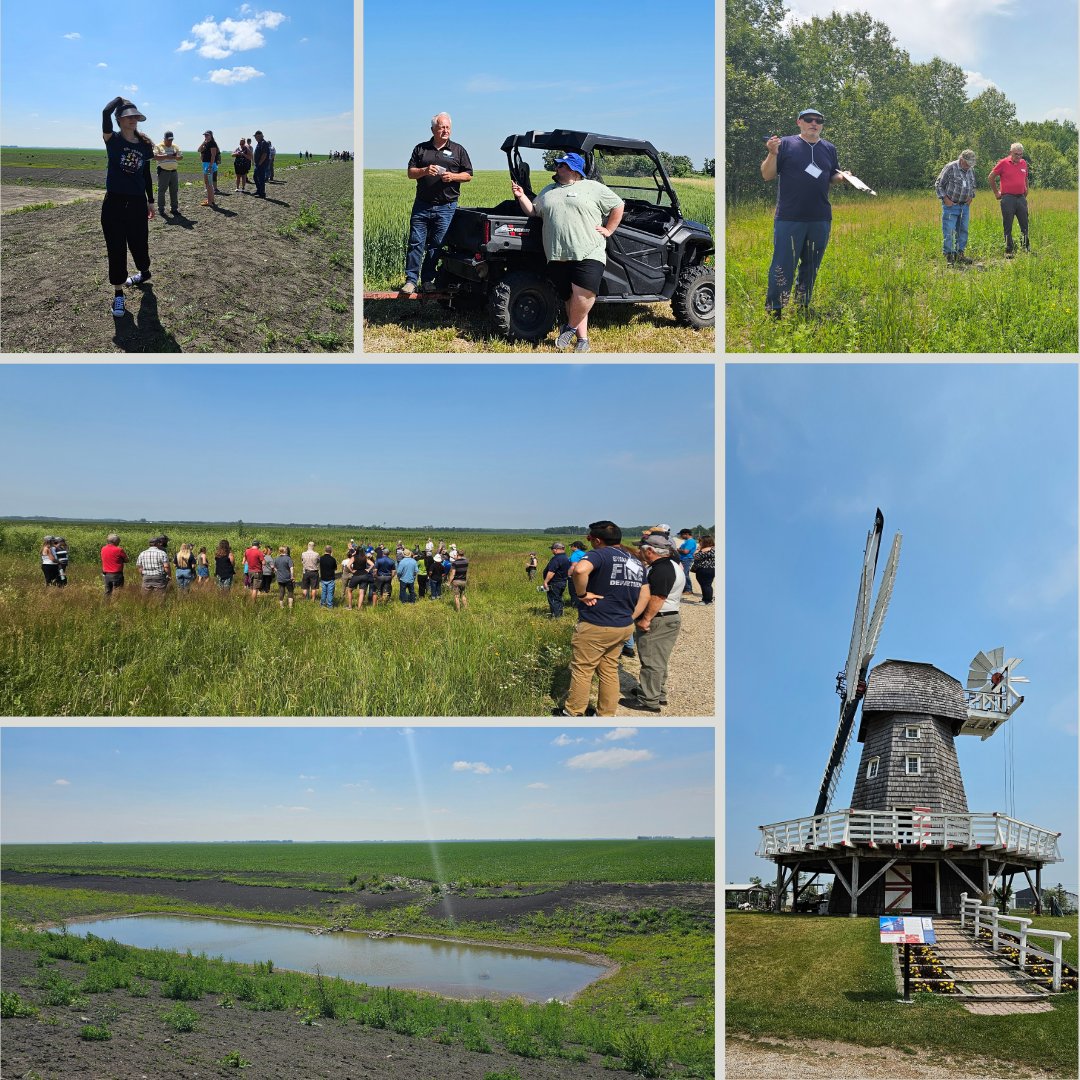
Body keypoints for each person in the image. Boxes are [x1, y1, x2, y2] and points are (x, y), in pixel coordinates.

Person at [511, 152, 623, 353]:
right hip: (557, 253)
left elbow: (618, 205)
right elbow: (533, 211)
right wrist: (521, 197)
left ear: (573, 169)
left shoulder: (593, 188)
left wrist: (609, 230)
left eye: (561, 165)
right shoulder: (549, 191)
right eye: (558, 165)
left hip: (589, 250)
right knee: (571, 298)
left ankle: (569, 328)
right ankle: (583, 340)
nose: (557, 168)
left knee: (585, 293)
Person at [556, 521, 644, 717]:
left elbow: (579, 570)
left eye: (590, 539)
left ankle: (573, 712)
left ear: (596, 540)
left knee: (583, 669)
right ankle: (605, 714)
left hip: (597, 623)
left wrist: (581, 595)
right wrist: (630, 616)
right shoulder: (635, 560)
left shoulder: (599, 554)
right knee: (609, 670)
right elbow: (645, 593)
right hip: (623, 624)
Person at [760, 109, 843, 316]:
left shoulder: (829, 149)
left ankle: (802, 304)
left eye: (819, 120)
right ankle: (775, 309)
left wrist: (843, 177)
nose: (814, 123)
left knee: (811, 264)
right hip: (789, 217)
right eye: (809, 119)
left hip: (820, 217)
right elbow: (767, 175)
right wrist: (772, 153)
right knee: (783, 264)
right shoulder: (785, 144)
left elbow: (831, 176)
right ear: (799, 122)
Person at [401, 113, 473, 294]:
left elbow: (468, 175)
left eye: (448, 127)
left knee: (436, 245)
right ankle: (411, 281)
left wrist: (453, 176)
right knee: (416, 242)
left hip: (446, 207)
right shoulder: (421, 149)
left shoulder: (458, 150)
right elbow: (410, 173)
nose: (445, 130)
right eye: (442, 127)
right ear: (433, 129)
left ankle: (427, 280)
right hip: (422, 205)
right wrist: (425, 170)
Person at [100, 96, 156, 318]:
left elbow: (146, 175)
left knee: (139, 244)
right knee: (116, 249)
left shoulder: (144, 146)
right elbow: (105, 113)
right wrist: (119, 100)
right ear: (120, 119)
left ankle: (144, 272)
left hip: (136, 203)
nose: (133, 119)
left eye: (135, 116)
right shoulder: (112, 140)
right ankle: (118, 294)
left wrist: (150, 200)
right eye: (128, 116)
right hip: (113, 203)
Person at [620, 535, 686, 713]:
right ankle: (656, 692)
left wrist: (645, 619)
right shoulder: (670, 564)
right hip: (667, 618)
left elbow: (658, 597)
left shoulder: (661, 569)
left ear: (650, 550)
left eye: (642, 549)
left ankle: (648, 700)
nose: (640, 552)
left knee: (651, 660)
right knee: (659, 659)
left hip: (658, 619)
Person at [935, 150, 977, 265]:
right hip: (951, 205)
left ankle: (960, 254)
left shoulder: (970, 170)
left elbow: (973, 185)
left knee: (963, 230)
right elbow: (938, 184)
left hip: (964, 206)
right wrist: (945, 199)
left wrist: (971, 197)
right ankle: (949, 255)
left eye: (971, 164)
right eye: (968, 163)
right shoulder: (950, 167)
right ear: (962, 159)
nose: (969, 166)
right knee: (949, 230)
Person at [989, 143, 1030, 256]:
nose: (1019, 157)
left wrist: (1026, 189)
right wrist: (996, 192)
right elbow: (991, 176)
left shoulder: (1023, 163)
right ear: (1011, 153)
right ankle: (1009, 249)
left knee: (1025, 224)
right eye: (1016, 154)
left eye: (1021, 154)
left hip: (1021, 198)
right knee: (1008, 224)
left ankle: (1025, 248)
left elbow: (1025, 177)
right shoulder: (1003, 163)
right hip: (1008, 198)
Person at [153, 130, 182, 215]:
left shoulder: (175, 146)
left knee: (174, 191)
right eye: (169, 139)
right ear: (164, 138)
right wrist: (166, 156)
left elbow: (181, 157)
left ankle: (174, 209)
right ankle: (161, 209)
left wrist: (176, 156)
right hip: (163, 172)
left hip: (174, 172)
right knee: (162, 191)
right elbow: (154, 157)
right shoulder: (158, 146)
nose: (170, 141)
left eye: (171, 140)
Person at [542, 542, 571, 618]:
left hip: (555, 583)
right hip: (562, 581)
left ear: (555, 549)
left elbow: (552, 571)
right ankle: (560, 614)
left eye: (552, 549)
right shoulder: (565, 557)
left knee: (553, 599)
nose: (552, 550)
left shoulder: (556, 558)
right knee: (559, 598)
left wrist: (545, 581)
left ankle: (556, 616)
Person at [100, 532, 128, 596]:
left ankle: (106, 605)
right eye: (118, 541)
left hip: (106, 574)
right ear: (115, 541)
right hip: (117, 574)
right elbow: (126, 560)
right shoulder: (119, 550)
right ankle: (116, 605)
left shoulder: (103, 548)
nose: (119, 542)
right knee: (117, 592)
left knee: (107, 592)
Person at [198, 130, 220, 207]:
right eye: (205, 135)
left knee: (209, 184)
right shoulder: (206, 143)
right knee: (207, 183)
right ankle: (211, 200)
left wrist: (210, 166)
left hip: (209, 165)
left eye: (207, 135)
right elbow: (199, 150)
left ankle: (210, 201)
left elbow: (213, 155)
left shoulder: (212, 144)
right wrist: (203, 143)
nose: (206, 136)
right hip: (205, 164)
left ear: (211, 135)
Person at [692, 534, 715, 604]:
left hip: (704, 569)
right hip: (710, 569)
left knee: (706, 585)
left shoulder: (706, 549)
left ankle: (707, 600)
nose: (699, 543)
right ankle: (706, 599)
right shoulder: (713, 549)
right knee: (707, 585)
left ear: (705, 542)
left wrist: (698, 549)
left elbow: (695, 556)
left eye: (700, 541)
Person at [566, 540, 588, 609]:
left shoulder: (575, 554)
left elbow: (573, 566)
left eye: (572, 546)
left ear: (576, 547)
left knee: (573, 592)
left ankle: (575, 606)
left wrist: (567, 575)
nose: (570, 547)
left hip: (575, 576)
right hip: (585, 575)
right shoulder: (584, 553)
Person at [677, 529, 698, 596]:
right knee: (683, 574)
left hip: (687, 559)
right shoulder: (687, 541)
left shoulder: (690, 541)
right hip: (684, 559)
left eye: (681, 534)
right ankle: (685, 589)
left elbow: (686, 551)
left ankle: (688, 589)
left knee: (685, 574)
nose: (680, 536)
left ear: (686, 534)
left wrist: (677, 549)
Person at [253, 130, 270, 198]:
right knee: (255, 177)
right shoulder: (259, 143)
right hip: (258, 164)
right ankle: (259, 190)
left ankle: (262, 193)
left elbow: (264, 154)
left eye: (256, 136)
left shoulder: (264, 143)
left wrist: (259, 163)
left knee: (261, 179)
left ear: (260, 136)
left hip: (262, 164)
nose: (255, 138)